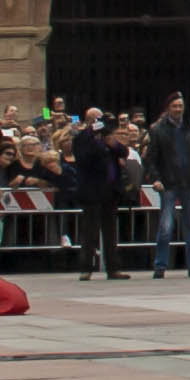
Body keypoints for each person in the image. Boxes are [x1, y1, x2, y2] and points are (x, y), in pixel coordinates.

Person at [147, 93, 190, 278]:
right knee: (165, 227)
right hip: (169, 183)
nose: (178, 109)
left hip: (189, 183)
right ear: (168, 108)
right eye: (175, 106)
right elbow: (151, 158)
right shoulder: (158, 131)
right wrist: (155, 178)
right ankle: (160, 265)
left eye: (180, 106)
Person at [73, 109, 125, 281]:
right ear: (88, 120)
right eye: (94, 119)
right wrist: (95, 140)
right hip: (92, 190)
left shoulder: (108, 136)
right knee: (90, 231)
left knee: (110, 231)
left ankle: (113, 268)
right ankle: (86, 268)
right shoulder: (82, 138)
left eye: (99, 118)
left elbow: (123, 152)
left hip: (110, 190)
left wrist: (113, 144)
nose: (98, 122)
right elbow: (83, 159)